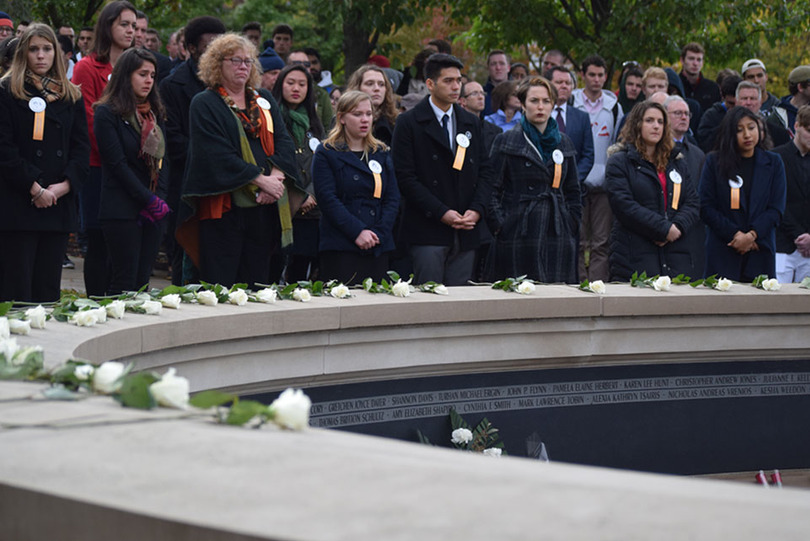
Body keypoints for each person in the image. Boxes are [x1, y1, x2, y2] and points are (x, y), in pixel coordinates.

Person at [176, 33, 298, 288]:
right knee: (221, 286)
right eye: (235, 60)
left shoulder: (263, 100)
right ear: (216, 64)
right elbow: (215, 154)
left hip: (264, 209)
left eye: (248, 61)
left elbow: (284, 142)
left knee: (257, 284)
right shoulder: (205, 103)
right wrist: (261, 181)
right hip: (223, 209)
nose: (243, 66)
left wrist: (275, 179)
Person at [0, 23, 89, 302]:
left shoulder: (71, 94)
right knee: (16, 290)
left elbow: (81, 149)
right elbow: (4, 149)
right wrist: (35, 187)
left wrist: (63, 186)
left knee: (47, 293)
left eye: (47, 49)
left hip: (57, 205)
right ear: (23, 53)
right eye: (34, 49)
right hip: (19, 204)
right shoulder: (6, 91)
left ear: (57, 53)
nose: (41, 55)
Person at [392, 53, 493, 285]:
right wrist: (441, 212)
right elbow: (405, 177)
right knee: (429, 300)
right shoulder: (409, 123)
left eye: (458, 80)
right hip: (427, 229)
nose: (456, 86)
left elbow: (486, 171)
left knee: (461, 302)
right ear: (430, 84)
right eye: (448, 81)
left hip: (466, 227)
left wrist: (477, 210)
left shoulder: (471, 122)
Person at [487, 76, 582, 283]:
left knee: (557, 294)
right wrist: (501, 224)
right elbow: (492, 188)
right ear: (522, 104)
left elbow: (573, 190)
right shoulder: (506, 140)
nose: (540, 107)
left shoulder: (563, 142)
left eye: (546, 101)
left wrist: (571, 221)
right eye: (534, 101)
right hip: (518, 229)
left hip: (558, 230)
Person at [72, 0, 137, 296]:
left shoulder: (138, 67)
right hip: (99, 167)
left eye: (134, 26)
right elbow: (87, 121)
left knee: (125, 241)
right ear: (108, 25)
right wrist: (119, 153)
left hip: (131, 168)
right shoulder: (87, 67)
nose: (131, 30)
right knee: (99, 240)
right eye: (124, 24)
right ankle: (96, 303)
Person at [94, 48, 169, 294]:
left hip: (152, 209)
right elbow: (116, 164)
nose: (149, 80)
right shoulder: (107, 112)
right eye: (142, 74)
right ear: (126, 75)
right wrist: (147, 199)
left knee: (142, 282)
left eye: (152, 75)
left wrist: (159, 200)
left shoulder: (154, 112)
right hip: (121, 209)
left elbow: (163, 162)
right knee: (123, 282)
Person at [159, 15, 226, 285]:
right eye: (208, 46)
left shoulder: (230, 85)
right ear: (190, 47)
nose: (214, 52)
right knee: (184, 254)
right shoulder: (171, 85)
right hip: (186, 183)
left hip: (224, 186)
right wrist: (216, 156)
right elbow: (172, 139)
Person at [605, 101, 701, 280]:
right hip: (634, 254)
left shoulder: (677, 162)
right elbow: (623, 205)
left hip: (675, 253)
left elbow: (693, 202)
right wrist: (662, 229)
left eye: (660, 121)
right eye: (649, 120)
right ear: (637, 124)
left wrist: (676, 227)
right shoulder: (619, 162)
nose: (656, 126)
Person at [312, 90, 400, 284]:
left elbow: (392, 198)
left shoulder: (380, 152)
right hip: (342, 244)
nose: (364, 120)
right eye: (357, 114)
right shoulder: (327, 152)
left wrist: (379, 232)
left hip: (378, 244)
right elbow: (327, 198)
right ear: (342, 117)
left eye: (368, 114)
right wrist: (358, 232)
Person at [699, 107, 786, 281]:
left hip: (759, 250)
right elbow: (706, 206)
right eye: (739, 130)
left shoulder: (774, 162)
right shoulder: (714, 162)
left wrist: (752, 235)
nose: (747, 134)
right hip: (724, 249)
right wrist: (736, 236)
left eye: (751, 128)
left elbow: (776, 209)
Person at [572, 54, 623, 282]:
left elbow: (617, 142)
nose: (596, 79)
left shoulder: (614, 107)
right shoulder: (573, 103)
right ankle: (579, 284)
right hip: (577, 179)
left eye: (600, 75)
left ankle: (597, 285)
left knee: (601, 241)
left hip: (604, 182)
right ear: (583, 75)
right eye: (591, 74)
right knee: (579, 240)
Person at [272, 63, 325, 282]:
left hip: (312, 211)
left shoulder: (315, 124)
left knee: (301, 271)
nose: (296, 88)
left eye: (302, 84)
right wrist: (298, 195)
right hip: (282, 207)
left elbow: (322, 162)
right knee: (276, 267)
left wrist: (311, 194)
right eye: (291, 83)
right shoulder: (272, 120)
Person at [772, 105, 810, 283]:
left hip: (808, 247)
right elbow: (775, 200)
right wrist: (797, 234)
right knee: (777, 302)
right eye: (809, 130)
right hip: (782, 243)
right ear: (796, 126)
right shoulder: (776, 157)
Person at [346, 64, 399, 146]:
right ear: (357, 87)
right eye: (370, 84)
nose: (377, 88)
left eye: (381, 84)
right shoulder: (343, 119)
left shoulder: (396, 122)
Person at [482, 50, 509, 115]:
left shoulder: (518, 93)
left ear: (508, 68)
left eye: (502, 63)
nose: (498, 68)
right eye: (493, 64)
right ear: (488, 68)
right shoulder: (481, 94)